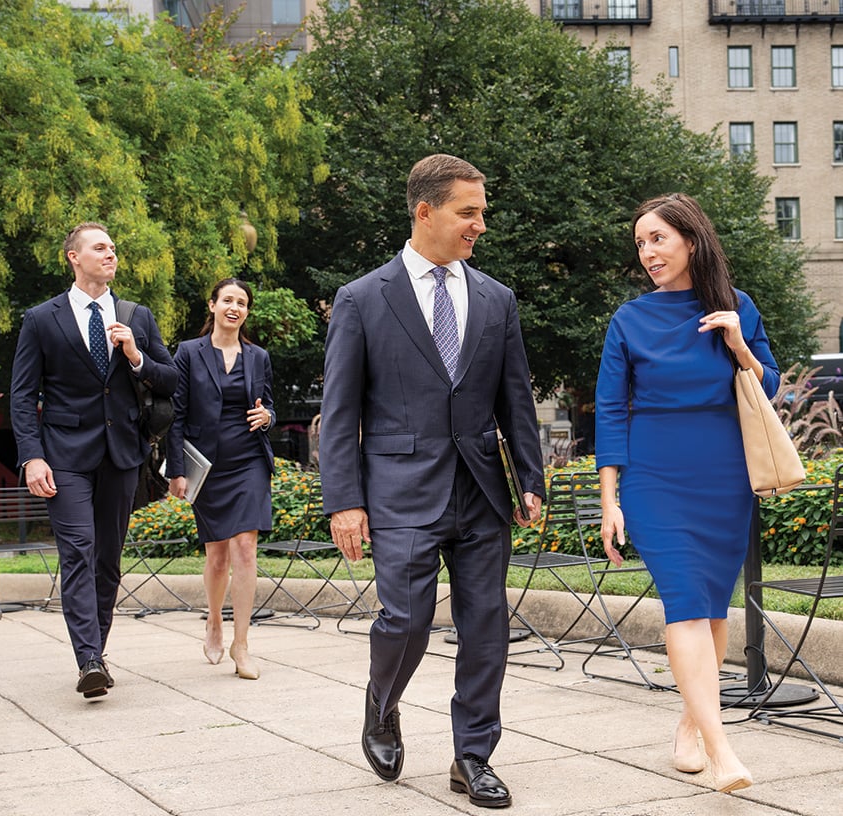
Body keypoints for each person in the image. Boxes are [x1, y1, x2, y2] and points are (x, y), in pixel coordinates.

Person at [320, 154, 545, 808]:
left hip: (481, 492)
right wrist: (346, 502)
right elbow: (340, 412)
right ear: (425, 211)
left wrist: (528, 477)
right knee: (407, 620)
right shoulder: (363, 299)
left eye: (482, 212)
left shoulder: (496, 300)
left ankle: (472, 756)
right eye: (468, 212)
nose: (480, 225)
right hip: (398, 491)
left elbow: (515, 400)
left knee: (487, 626)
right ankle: (381, 703)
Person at [595, 193, 779, 794]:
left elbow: (770, 388)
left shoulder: (737, 307)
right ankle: (723, 749)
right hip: (656, 478)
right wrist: (610, 500)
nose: (647, 252)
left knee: (711, 607)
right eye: (641, 243)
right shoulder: (628, 320)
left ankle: (690, 724)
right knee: (684, 603)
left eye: (657, 239)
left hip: (724, 477)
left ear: (691, 241)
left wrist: (738, 344)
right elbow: (610, 411)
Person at [10, 222, 178, 699]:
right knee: (78, 551)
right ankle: (87, 657)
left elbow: (170, 381)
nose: (111, 254)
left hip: (122, 454)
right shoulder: (41, 319)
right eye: (100, 247)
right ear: (73, 257)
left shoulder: (136, 316)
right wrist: (31, 458)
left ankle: (95, 654)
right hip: (64, 455)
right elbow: (23, 397)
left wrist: (135, 354)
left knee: (107, 560)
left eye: (113, 247)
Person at [165, 278, 275, 681]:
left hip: (249, 460)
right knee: (217, 556)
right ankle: (214, 619)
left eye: (242, 302)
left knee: (245, 548)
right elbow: (175, 414)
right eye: (227, 299)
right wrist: (177, 470)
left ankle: (241, 643)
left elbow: (270, 406)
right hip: (207, 466)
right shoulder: (188, 354)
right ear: (212, 305)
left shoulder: (258, 356)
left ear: (246, 312)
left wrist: (269, 417)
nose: (234, 307)